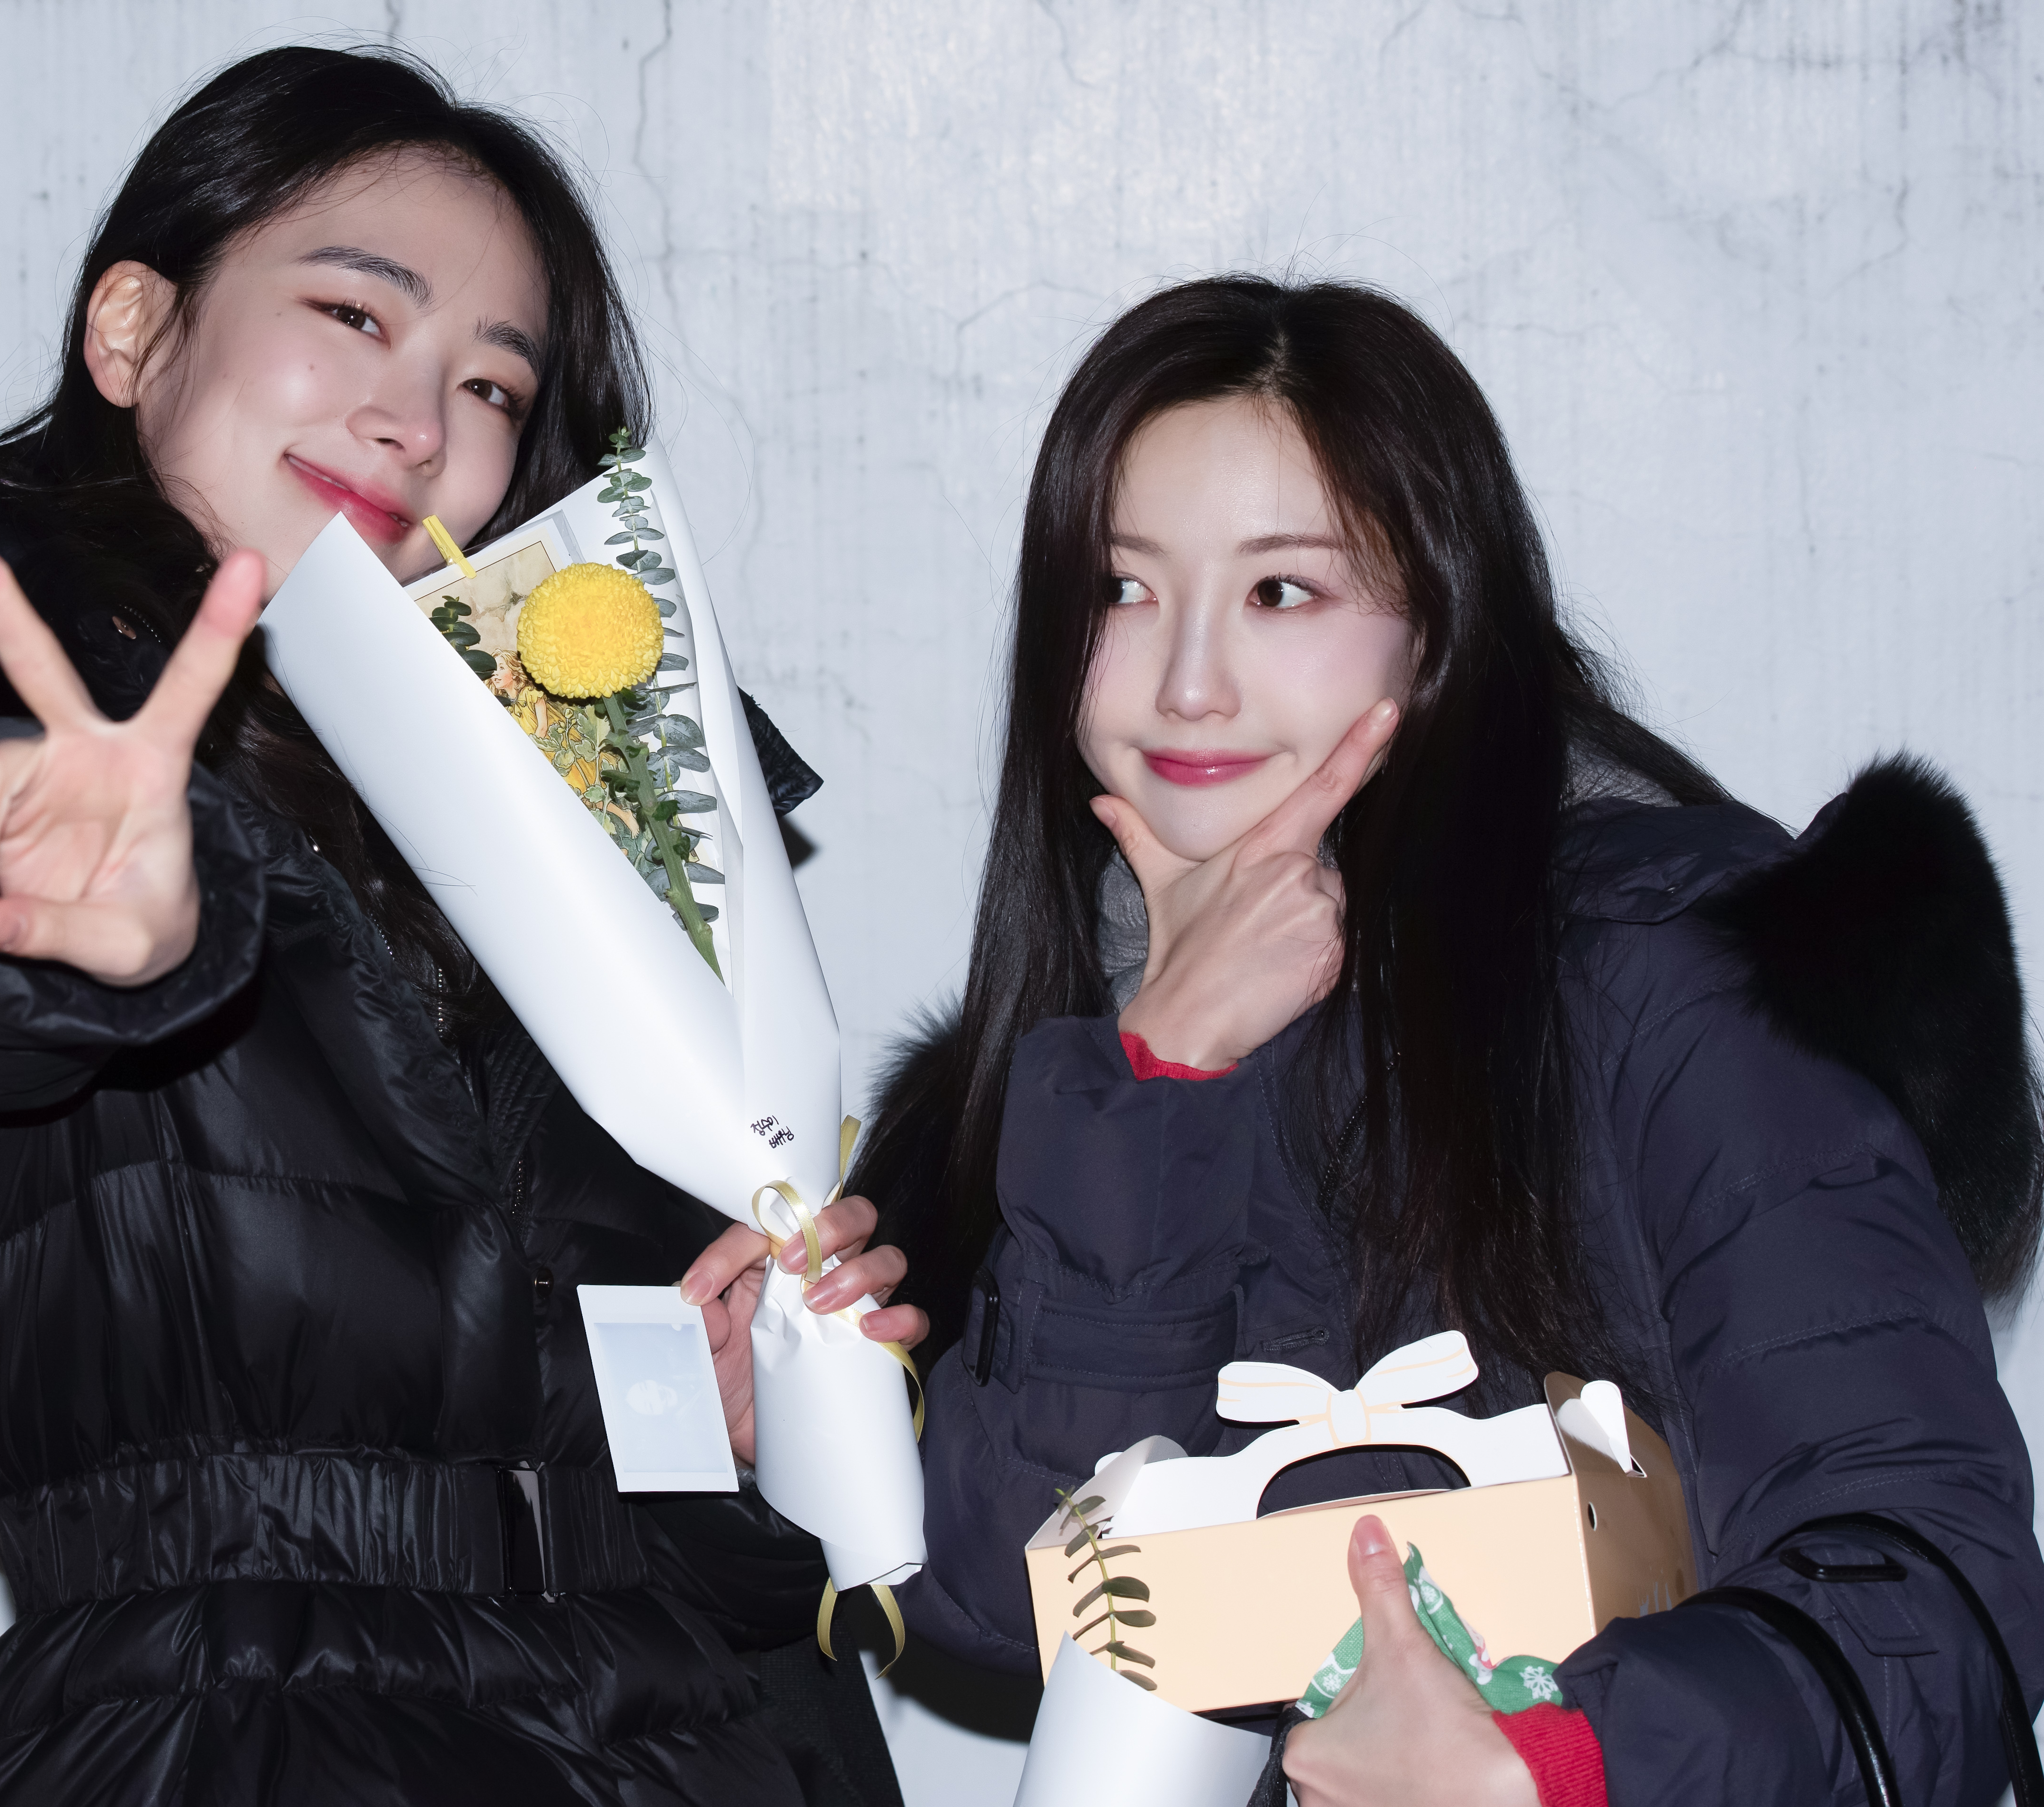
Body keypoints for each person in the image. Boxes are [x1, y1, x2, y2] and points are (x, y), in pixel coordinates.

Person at [0, 45, 924, 1807]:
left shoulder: (581, 810)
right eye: (353, 313)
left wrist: (719, 1421)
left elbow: (598, 1472)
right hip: (241, 1738)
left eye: (491, 382)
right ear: (133, 329)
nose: (421, 422)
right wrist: (38, 879)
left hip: (683, 1744)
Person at [851, 275, 2044, 1805]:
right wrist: (1162, 1077)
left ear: (1435, 622)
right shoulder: (1082, 1059)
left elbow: (1936, 1586)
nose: (1186, 680)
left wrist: (1545, 1759)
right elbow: (1003, 1609)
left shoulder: (1669, 966)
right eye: (1119, 588)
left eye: (1282, 592)